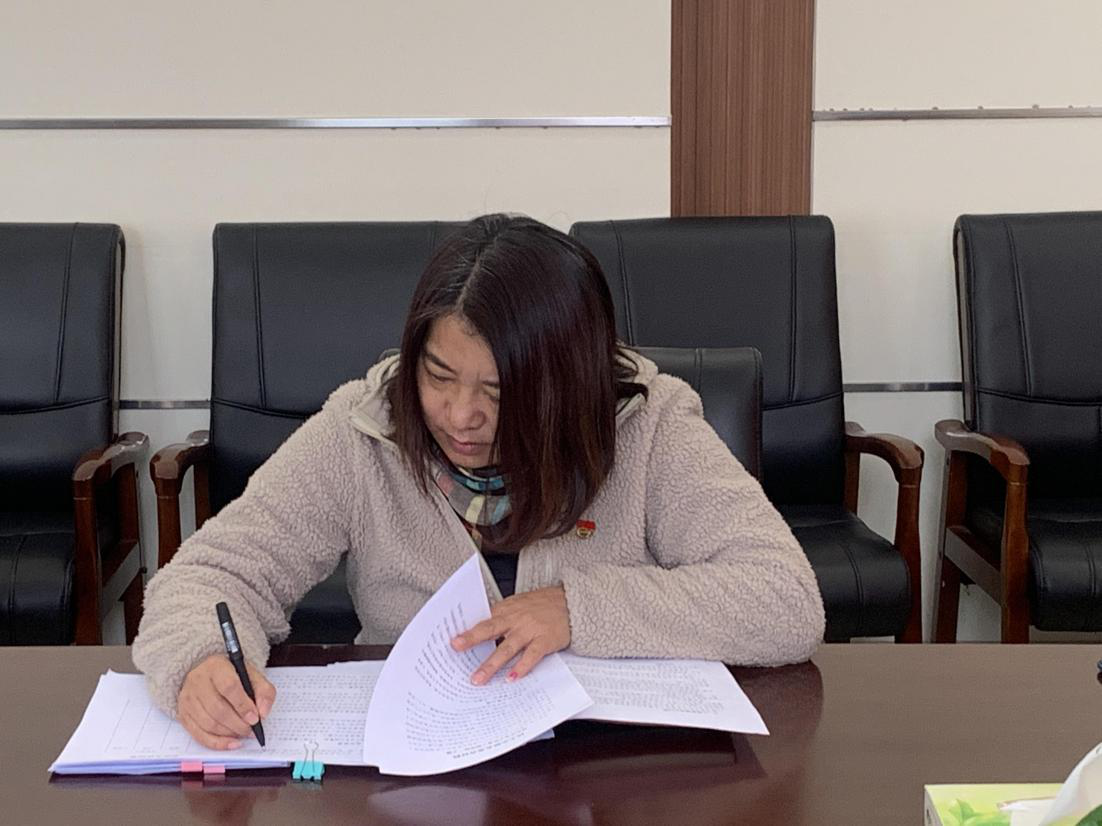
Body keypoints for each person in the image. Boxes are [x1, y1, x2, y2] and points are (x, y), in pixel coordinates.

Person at [133, 213, 825, 750]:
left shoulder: (649, 424)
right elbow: (212, 574)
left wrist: (577, 609)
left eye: (500, 390)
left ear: (569, 383)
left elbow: (786, 598)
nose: (460, 416)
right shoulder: (363, 429)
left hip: (605, 769)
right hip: (416, 768)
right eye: (438, 376)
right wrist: (199, 662)